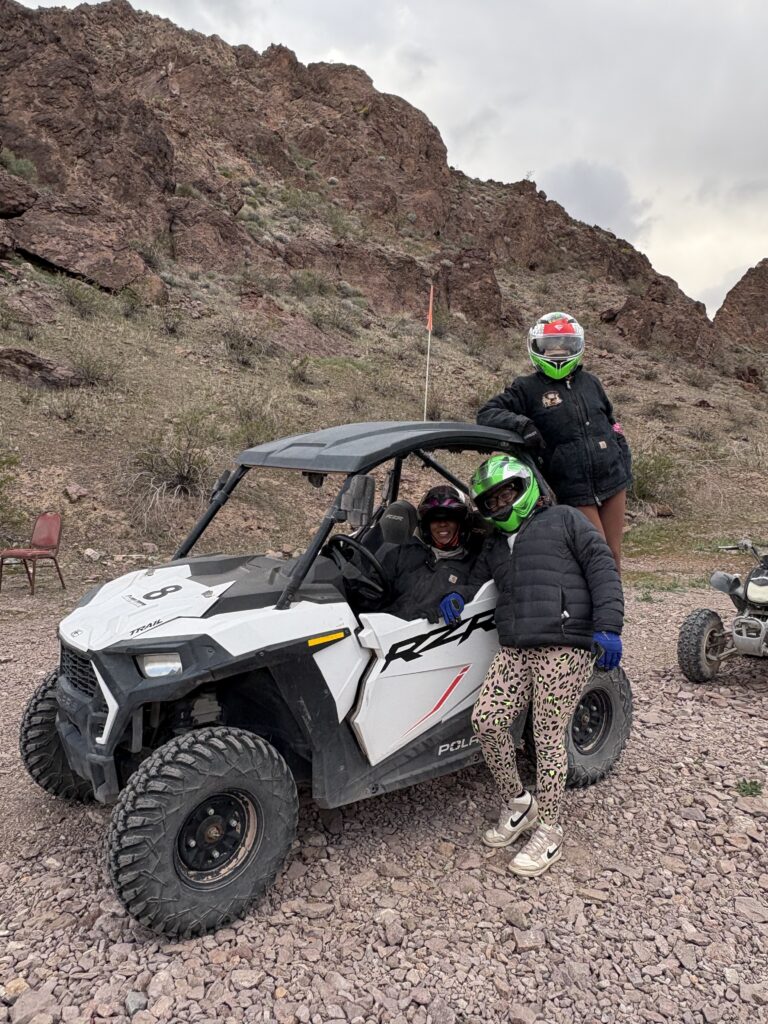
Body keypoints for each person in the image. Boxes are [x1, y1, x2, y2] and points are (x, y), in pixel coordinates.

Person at [439, 454, 624, 877]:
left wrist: (609, 626)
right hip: (517, 646)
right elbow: (474, 581)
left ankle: (551, 831)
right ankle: (520, 802)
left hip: (565, 644)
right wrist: (455, 595)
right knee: (486, 721)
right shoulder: (493, 545)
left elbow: (602, 566)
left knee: (546, 736)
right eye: (491, 499)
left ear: (525, 487)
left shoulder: (564, 520)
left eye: (507, 491)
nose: (501, 502)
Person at [476, 311, 631, 572]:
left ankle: (614, 611)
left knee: (613, 555)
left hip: (613, 480)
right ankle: (592, 610)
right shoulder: (526, 387)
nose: (558, 351)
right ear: (537, 348)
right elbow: (487, 413)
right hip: (573, 487)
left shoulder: (591, 382)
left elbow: (612, 423)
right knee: (596, 555)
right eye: (550, 346)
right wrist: (522, 425)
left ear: (577, 346)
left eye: (564, 345)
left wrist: (623, 458)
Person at [357, 484, 481, 622]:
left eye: (449, 518)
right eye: (435, 519)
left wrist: (461, 594)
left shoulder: (474, 561)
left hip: (431, 635)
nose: (442, 524)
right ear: (426, 525)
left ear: (461, 523)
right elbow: (372, 592)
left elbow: (482, 587)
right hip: (385, 629)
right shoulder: (404, 553)